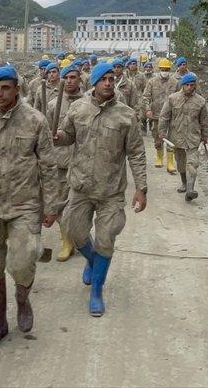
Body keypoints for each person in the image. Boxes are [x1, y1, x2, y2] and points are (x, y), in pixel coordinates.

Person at [0, 66, 58, 352]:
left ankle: (22, 300)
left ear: (17, 89)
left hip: (25, 204)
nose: (0, 93)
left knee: (23, 261)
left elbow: (48, 165)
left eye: (6, 88)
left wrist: (51, 204)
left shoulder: (35, 121)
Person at [52, 63, 148, 317]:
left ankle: (96, 290)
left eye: (111, 78)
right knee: (75, 231)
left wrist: (142, 188)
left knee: (106, 239)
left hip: (111, 190)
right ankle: (93, 262)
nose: (108, 83)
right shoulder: (77, 108)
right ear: (93, 83)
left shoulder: (126, 115)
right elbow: (68, 135)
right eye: (103, 79)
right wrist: (58, 137)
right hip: (81, 186)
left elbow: (136, 153)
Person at [44, 62, 85, 261]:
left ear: (80, 79)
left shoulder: (88, 103)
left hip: (83, 162)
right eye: (66, 78)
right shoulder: (53, 105)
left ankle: (82, 238)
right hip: (60, 162)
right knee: (60, 204)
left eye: (73, 77)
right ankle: (66, 241)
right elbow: (45, 134)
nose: (69, 81)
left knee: (81, 205)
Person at [159, 72, 208, 201]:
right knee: (180, 163)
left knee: (193, 163)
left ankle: (190, 189)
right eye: (187, 85)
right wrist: (162, 131)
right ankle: (184, 182)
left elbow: (204, 121)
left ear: (195, 86)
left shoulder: (200, 101)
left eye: (192, 85)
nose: (189, 87)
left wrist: (205, 136)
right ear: (183, 85)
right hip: (176, 136)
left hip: (193, 137)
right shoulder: (172, 98)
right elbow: (164, 116)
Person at [142, 57, 177, 172]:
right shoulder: (152, 82)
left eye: (167, 69)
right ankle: (159, 157)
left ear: (170, 70)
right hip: (156, 115)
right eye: (163, 69)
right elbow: (146, 97)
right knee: (157, 137)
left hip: (172, 115)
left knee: (171, 138)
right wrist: (147, 110)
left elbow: (180, 98)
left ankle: (170, 162)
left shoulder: (175, 82)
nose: (165, 71)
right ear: (159, 69)